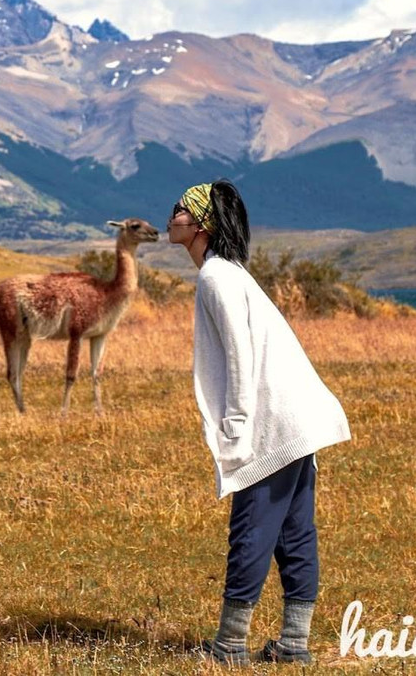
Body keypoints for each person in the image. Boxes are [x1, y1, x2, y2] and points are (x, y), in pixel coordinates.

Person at [168, 179, 351, 666]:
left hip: (274, 420)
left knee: (253, 526)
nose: (171, 218)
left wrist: (236, 426)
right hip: (297, 416)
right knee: (294, 530)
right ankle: (294, 643)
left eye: (180, 210)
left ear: (201, 223)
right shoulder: (229, 273)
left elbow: (241, 357)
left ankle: (230, 645)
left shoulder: (217, 278)